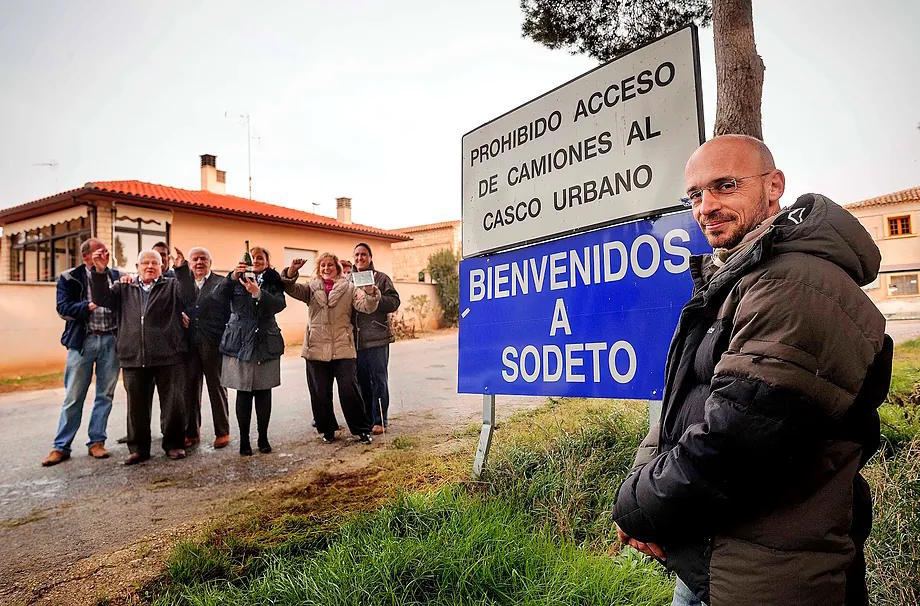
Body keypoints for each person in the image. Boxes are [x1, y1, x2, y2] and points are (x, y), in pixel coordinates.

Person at [612, 135, 891, 606]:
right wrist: (644, 498)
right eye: (695, 195)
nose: (707, 207)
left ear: (774, 186)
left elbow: (736, 440)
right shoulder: (738, 279)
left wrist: (637, 507)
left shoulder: (797, 284)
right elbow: (678, 407)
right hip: (714, 559)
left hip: (772, 578)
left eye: (725, 186)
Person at [90, 248, 196, 464]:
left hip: (169, 355)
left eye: (154, 263)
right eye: (145, 263)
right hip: (133, 356)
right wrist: (100, 271)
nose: (150, 266)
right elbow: (101, 298)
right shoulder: (124, 287)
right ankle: (138, 448)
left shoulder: (172, 285)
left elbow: (190, 295)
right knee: (136, 406)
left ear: (162, 267)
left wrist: (182, 269)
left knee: (173, 404)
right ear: (137, 267)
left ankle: (174, 445)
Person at [281, 252, 379, 444]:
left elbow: (366, 307)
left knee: (349, 390)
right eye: (323, 266)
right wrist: (292, 270)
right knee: (320, 392)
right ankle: (327, 430)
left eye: (330, 265)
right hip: (316, 348)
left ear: (337, 268)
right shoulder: (311, 288)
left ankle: (361, 429)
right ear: (318, 269)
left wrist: (369, 291)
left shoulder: (350, 288)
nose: (326, 269)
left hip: (343, 347)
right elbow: (291, 288)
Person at [41, 239, 121, 466]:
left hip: (110, 341)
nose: (104, 255)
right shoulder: (70, 277)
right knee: (74, 396)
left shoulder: (116, 275)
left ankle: (97, 442)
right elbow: (63, 309)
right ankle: (61, 446)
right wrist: (87, 306)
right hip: (82, 342)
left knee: (105, 395)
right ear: (85, 256)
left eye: (106, 251)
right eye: (98, 252)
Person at [214, 245, 286, 456]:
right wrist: (230, 277)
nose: (256, 260)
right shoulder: (236, 278)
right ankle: (244, 440)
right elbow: (217, 297)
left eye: (261, 258)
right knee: (243, 393)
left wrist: (258, 293)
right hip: (240, 342)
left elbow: (280, 304)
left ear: (267, 261)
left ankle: (263, 437)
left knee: (264, 392)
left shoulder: (273, 279)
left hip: (265, 341)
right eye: (252, 257)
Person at [182, 247, 232, 449]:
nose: (199, 262)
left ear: (210, 262)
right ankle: (191, 432)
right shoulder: (183, 284)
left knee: (217, 387)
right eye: (195, 259)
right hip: (189, 344)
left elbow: (229, 313)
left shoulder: (220, 283)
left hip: (213, 343)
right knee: (190, 389)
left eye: (203, 259)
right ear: (189, 263)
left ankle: (223, 432)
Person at [352, 242, 400, 434]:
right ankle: (367, 419)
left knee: (378, 380)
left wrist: (374, 296)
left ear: (370, 257)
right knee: (361, 381)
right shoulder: (348, 279)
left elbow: (394, 302)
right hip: (355, 340)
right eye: (356, 255)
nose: (360, 258)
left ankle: (380, 419)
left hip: (377, 337)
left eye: (363, 254)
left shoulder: (381, 278)